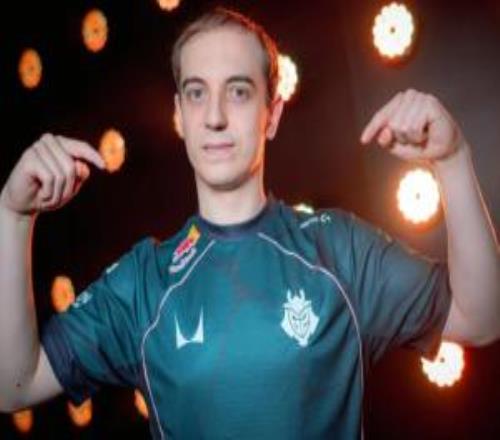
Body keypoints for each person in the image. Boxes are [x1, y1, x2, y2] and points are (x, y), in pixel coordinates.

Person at [0, 7, 498, 439]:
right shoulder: (144, 284)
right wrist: (12, 216)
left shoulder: (338, 251)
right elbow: (12, 385)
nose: (214, 116)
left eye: (238, 92)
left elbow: (483, 319)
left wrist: (452, 159)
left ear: (271, 114)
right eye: (197, 93)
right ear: (180, 114)